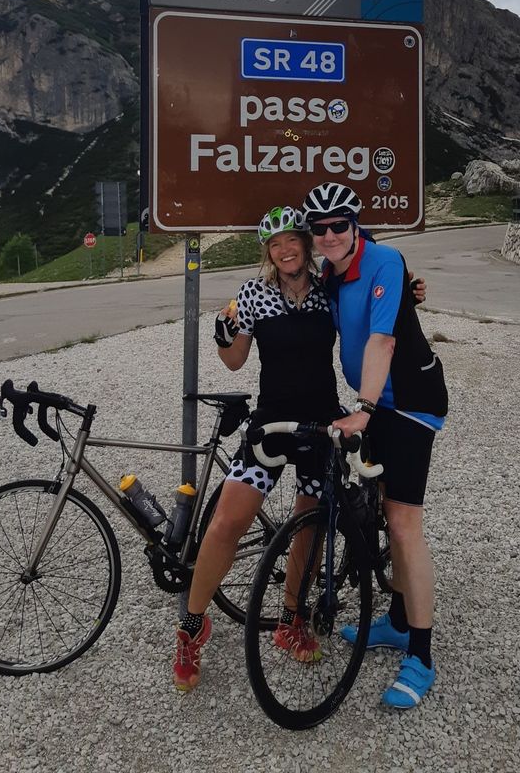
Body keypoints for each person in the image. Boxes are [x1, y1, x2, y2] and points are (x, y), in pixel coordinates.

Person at [172, 205, 342, 691]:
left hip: (320, 422)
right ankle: (192, 626)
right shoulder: (253, 293)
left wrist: (409, 292)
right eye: (275, 244)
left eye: (292, 241)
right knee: (227, 522)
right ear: (268, 252)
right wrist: (223, 336)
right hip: (272, 423)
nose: (285, 250)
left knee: (309, 522)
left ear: (306, 244)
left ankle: (291, 620)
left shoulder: (329, 289)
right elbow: (234, 361)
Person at [301, 180, 448, 711]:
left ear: (355, 225)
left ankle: (422, 655)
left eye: (339, 225)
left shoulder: (384, 260)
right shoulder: (331, 273)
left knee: (405, 523)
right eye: (319, 228)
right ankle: (399, 621)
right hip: (377, 403)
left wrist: (362, 406)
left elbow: (383, 340)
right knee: (385, 509)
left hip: (409, 402)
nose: (329, 235)